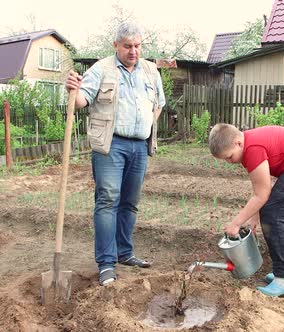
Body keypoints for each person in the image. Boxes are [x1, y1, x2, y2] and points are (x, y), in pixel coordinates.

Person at [65, 22, 166, 286]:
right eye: (127, 46)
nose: (133, 51)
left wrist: (146, 126)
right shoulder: (101, 69)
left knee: (130, 202)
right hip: (111, 146)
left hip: (139, 146)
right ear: (116, 46)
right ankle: (107, 263)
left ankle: (125, 253)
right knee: (108, 200)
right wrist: (72, 90)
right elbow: (81, 101)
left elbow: (159, 104)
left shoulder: (151, 71)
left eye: (137, 46)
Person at [208, 123, 284, 297]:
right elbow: (259, 186)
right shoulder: (248, 144)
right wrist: (254, 215)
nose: (229, 162)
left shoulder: (253, 149)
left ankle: (283, 276)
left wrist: (236, 223)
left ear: (237, 143)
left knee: (272, 216)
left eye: (229, 157)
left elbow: (262, 194)